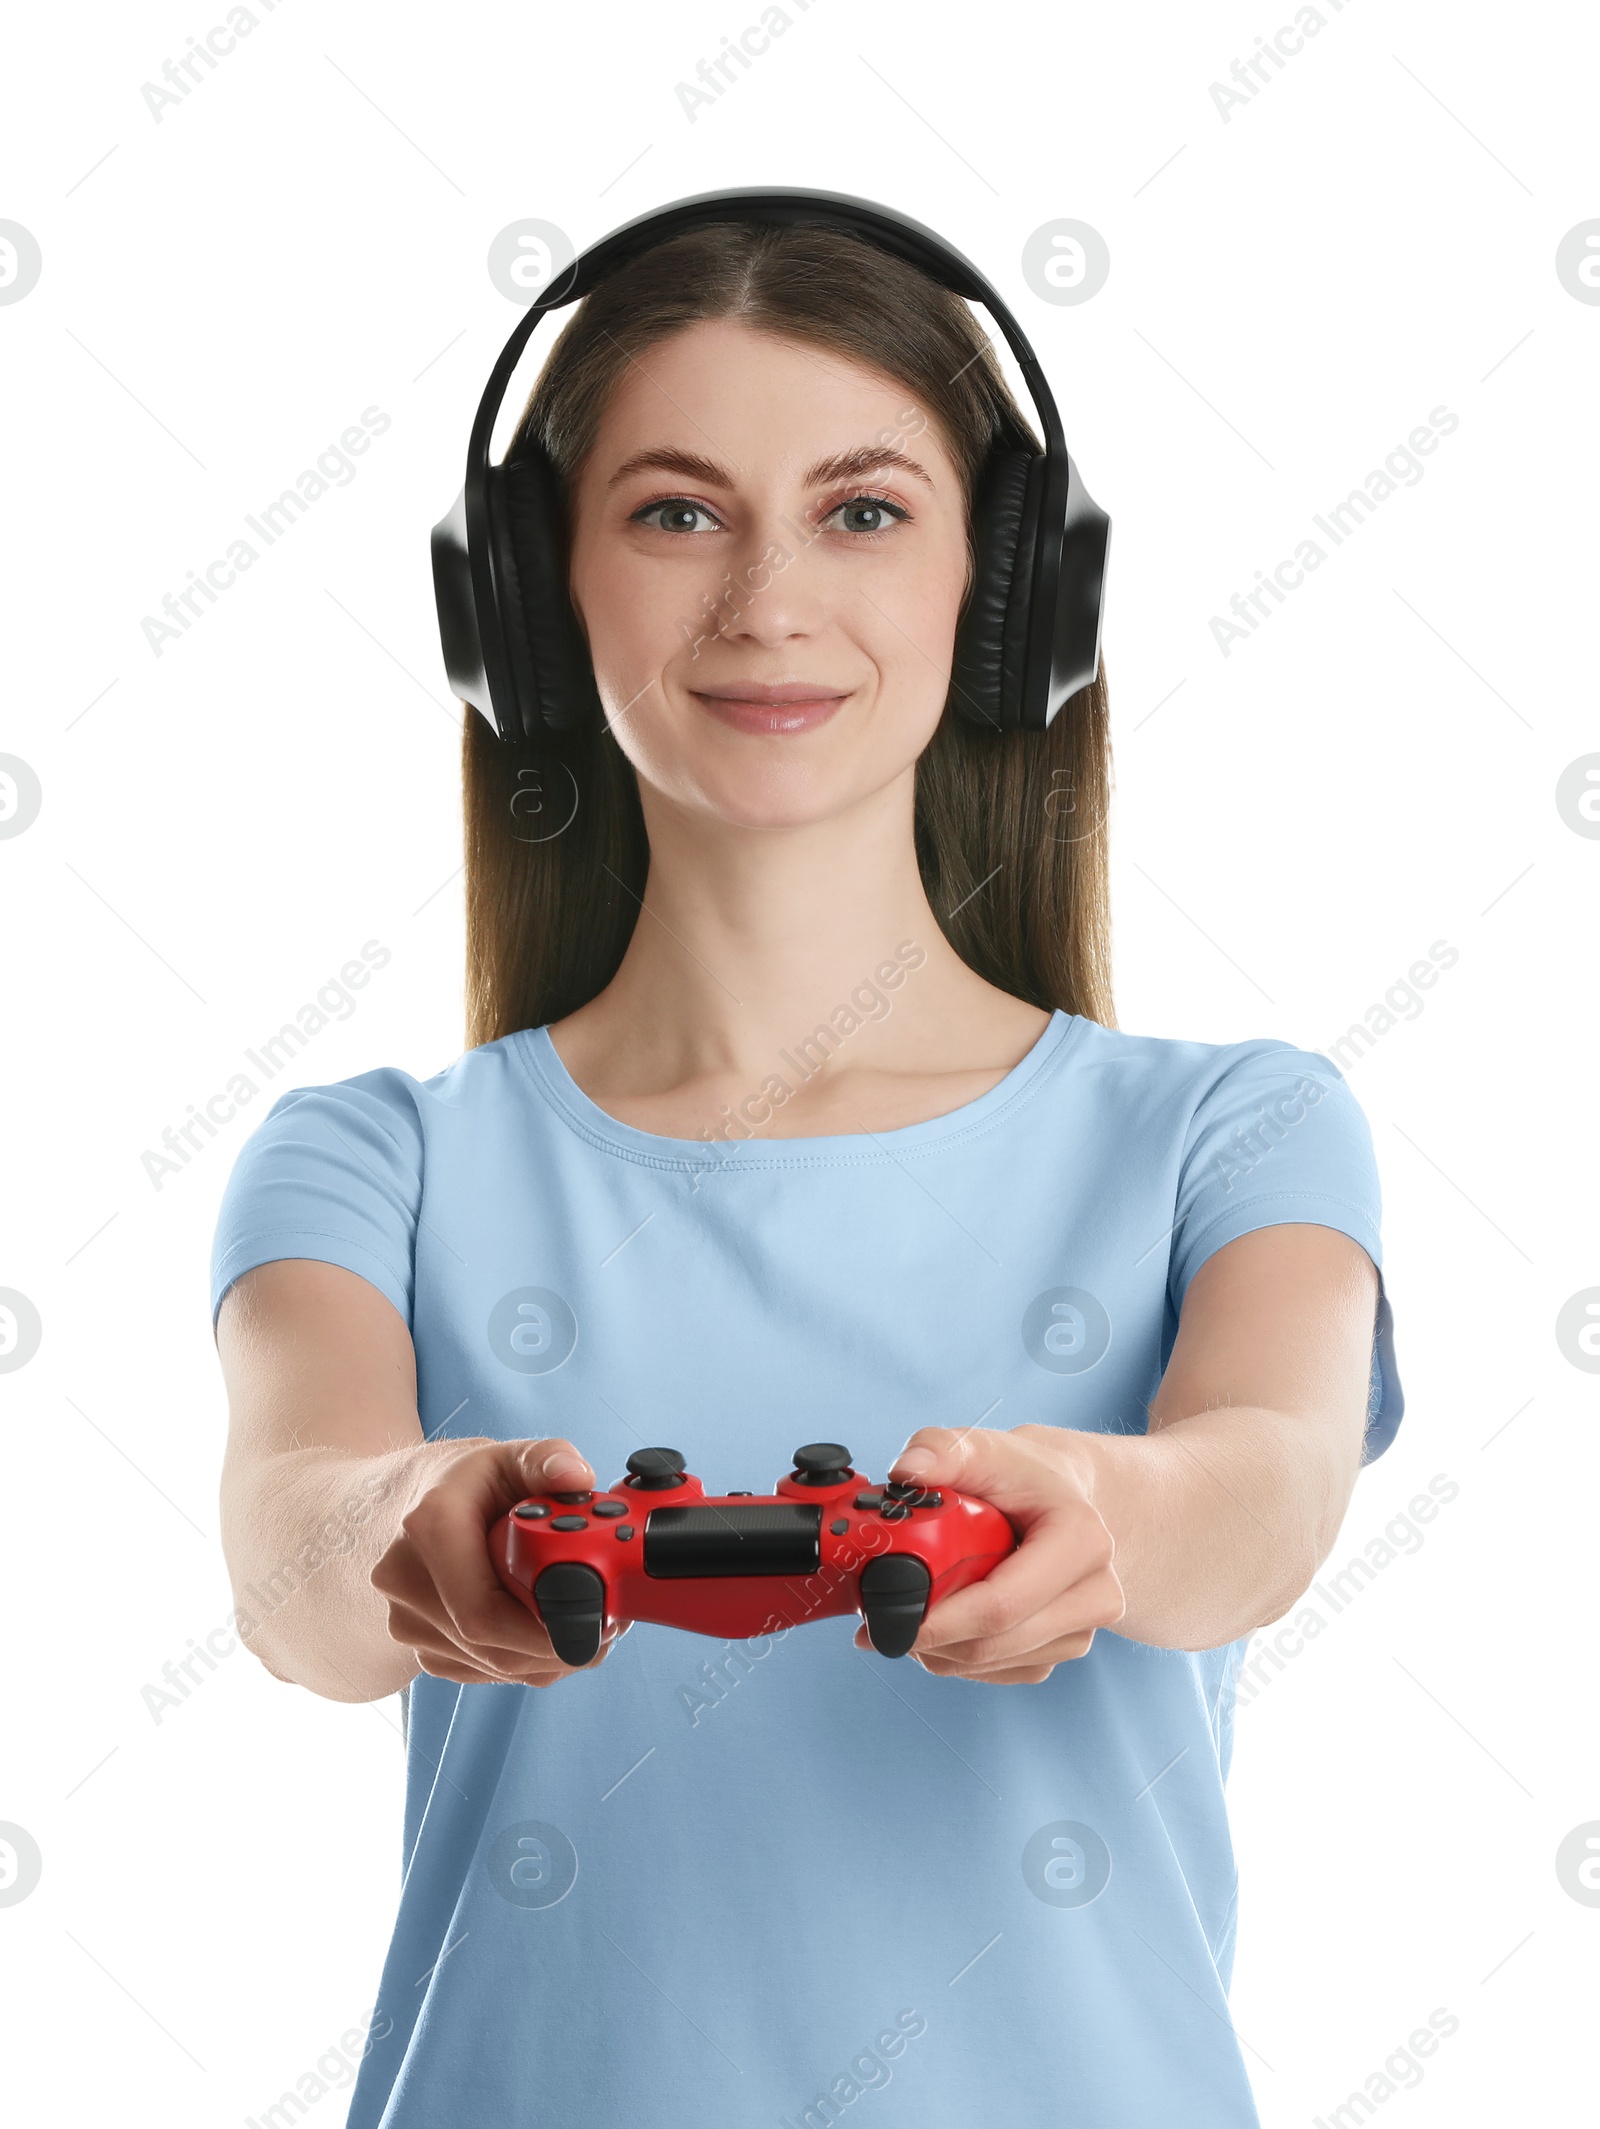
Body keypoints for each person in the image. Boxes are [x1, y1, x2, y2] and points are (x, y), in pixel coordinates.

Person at [212, 211, 1402, 2128]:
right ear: (530, 603)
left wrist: (1107, 1512)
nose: (770, 598)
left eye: (864, 513)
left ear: (1006, 593)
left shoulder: (1238, 1129)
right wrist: (404, 1521)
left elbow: (1267, 1481)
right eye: (677, 514)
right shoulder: (374, 1158)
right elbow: (286, 1556)